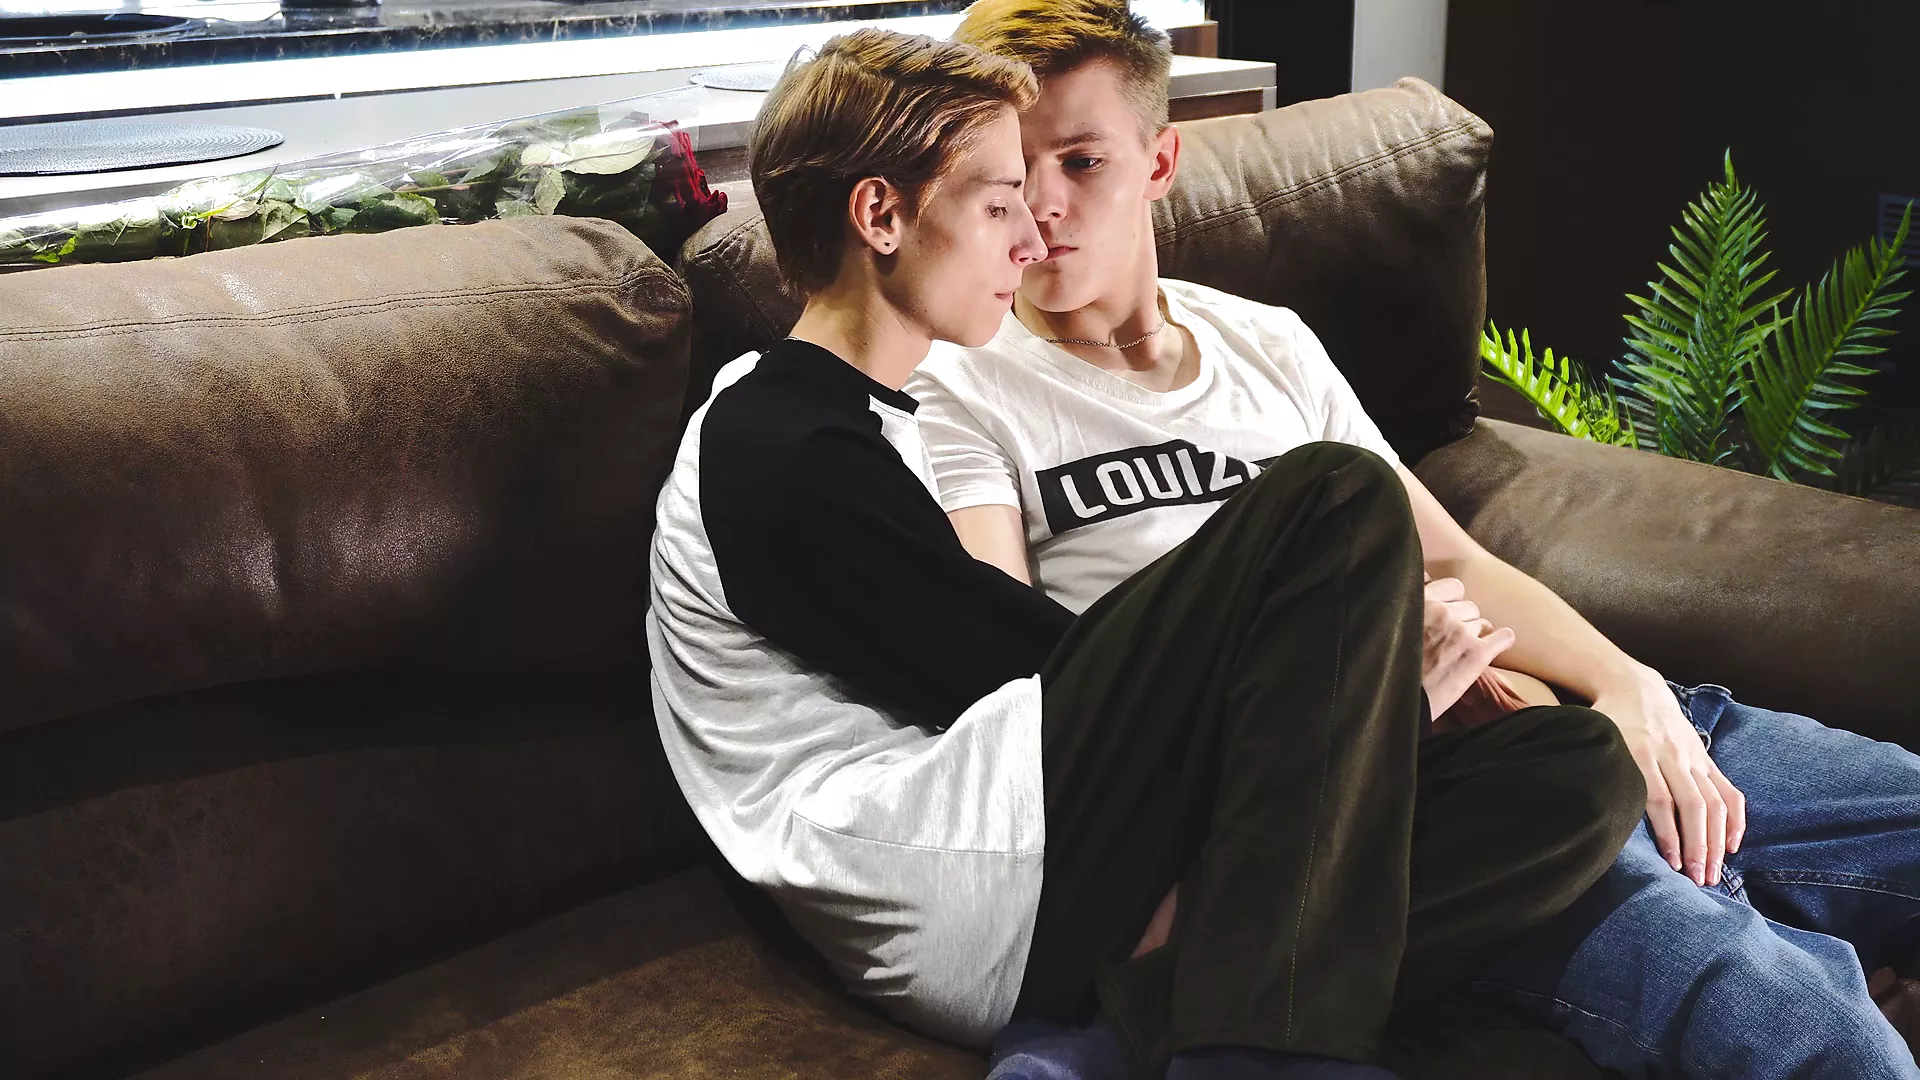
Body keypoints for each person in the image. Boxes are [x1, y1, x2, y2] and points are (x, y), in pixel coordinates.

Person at [906, 2, 1920, 1077]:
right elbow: (1025, 701)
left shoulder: (1266, 342)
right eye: (1015, 171)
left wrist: (1630, 690)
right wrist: (1370, 691)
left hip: (1563, 715)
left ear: (1159, 163)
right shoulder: (962, 387)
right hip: (1426, 802)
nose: (1044, 205)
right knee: (1826, 1040)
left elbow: (1454, 560)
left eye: (1081, 161)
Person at [645, 25, 1644, 1080]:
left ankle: (1172, 1001)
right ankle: (1251, 1046)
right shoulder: (779, 445)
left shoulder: (862, 415)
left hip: (1029, 833)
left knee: (1573, 775)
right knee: (1335, 497)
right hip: (963, 876)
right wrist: (1365, 690)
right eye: (998, 204)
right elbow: (1016, 678)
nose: (1029, 242)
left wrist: (1348, 700)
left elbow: (1078, 690)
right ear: (881, 216)